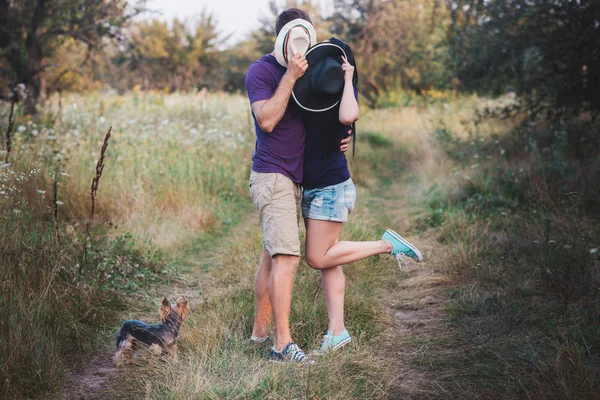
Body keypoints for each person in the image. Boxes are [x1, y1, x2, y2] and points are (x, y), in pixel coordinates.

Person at [291, 38, 423, 355]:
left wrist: (349, 78)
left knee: (317, 257)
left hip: (331, 188)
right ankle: (337, 332)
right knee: (329, 259)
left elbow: (350, 116)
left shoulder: (343, 98)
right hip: (316, 188)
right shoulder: (312, 97)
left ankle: (387, 245)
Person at [244, 8, 350, 364]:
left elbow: (324, 114)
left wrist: (342, 136)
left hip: (296, 179)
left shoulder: (310, 69)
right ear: (281, 36)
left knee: (271, 253)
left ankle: (260, 333)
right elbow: (269, 120)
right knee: (286, 257)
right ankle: (281, 346)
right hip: (272, 175)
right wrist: (289, 76)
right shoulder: (261, 71)